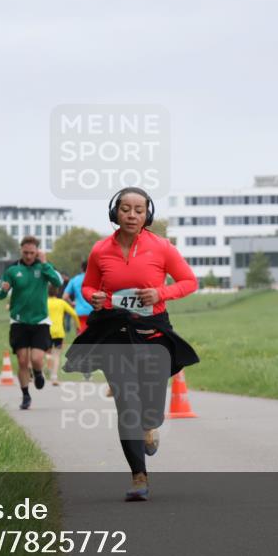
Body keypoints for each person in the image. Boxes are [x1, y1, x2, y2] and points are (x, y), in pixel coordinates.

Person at [64, 187, 199, 501]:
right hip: (114, 333)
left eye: (139, 210)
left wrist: (160, 294)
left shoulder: (162, 248)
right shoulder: (100, 250)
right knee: (127, 405)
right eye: (126, 209)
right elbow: (88, 286)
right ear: (116, 213)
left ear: (147, 215)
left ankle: (150, 425)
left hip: (152, 333)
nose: (132, 215)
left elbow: (189, 281)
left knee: (149, 410)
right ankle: (139, 476)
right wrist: (92, 297)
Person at [0, 236, 63, 410]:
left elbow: (58, 282)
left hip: (40, 320)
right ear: (21, 250)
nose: (28, 256)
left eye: (32, 253)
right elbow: (0, 293)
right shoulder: (12, 270)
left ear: (37, 252)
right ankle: (26, 395)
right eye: (25, 252)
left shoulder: (43, 267)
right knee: (22, 360)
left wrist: (44, 264)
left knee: (36, 358)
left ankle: (39, 371)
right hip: (19, 320)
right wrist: (3, 290)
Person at [47, 285, 80, 385]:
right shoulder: (61, 303)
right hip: (59, 332)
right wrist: (78, 326)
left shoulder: (44, 302)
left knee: (47, 353)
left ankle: (45, 372)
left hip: (46, 331)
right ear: (57, 292)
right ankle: (54, 377)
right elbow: (74, 314)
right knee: (56, 354)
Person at [63, 260, 93, 332]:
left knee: (80, 337)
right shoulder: (95, 278)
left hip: (79, 312)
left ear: (81, 268)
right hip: (93, 312)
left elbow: (65, 296)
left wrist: (72, 303)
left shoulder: (74, 280)